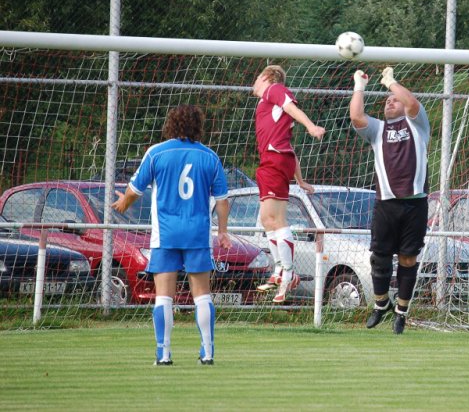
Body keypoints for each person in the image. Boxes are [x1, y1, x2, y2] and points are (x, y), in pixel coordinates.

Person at [111, 104, 231, 366]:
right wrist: (223, 232)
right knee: (202, 295)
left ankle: (163, 354)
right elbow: (223, 200)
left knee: (164, 295)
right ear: (198, 126)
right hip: (197, 234)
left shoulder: (156, 153)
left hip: (166, 235)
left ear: (171, 125)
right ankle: (208, 352)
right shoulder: (210, 157)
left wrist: (122, 204)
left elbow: (134, 190)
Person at [349, 67, 430, 334]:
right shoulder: (378, 130)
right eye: (387, 100)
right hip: (386, 203)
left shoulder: (417, 125)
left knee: (408, 259)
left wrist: (390, 82)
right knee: (380, 257)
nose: (390, 101)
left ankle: (401, 312)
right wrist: (359, 86)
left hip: (415, 204)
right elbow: (356, 116)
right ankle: (381, 304)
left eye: (395, 99)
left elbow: (412, 103)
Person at [251, 65, 325, 303]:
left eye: (258, 77)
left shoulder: (274, 89)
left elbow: (292, 107)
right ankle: (279, 269)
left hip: (274, 159)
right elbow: (288, 148)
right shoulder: (267, 103)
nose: (255, 82)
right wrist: (300, 180)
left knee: (276, 220)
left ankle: (288, 272)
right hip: (276, 159)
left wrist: (310, 126)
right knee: (267, 219)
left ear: (266, 77)